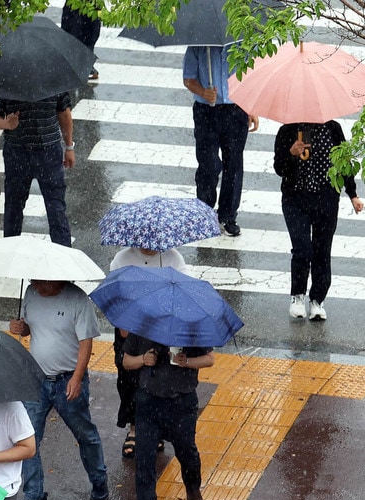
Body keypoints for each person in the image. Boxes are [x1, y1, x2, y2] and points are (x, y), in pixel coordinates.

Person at [8, 279, 109, 500]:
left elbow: (86, 343)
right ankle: (34, 495)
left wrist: (77, 377)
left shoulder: (78, 300)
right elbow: (32, 328)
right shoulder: (31, 293)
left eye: (40, 281)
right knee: (28, 439)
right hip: (36, 379)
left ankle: (98, 480)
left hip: (67, 380)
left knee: (85, 434)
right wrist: (21, 328)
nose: (35, 284)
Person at [121, 335, 214, 500]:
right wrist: (143, 360)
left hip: (181, 402)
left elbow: (210, 359)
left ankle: (193, 490)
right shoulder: (143, 328)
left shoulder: (190, 327)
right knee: (144, 461)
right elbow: (126, 361)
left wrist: (187, 362)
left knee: (186, 451)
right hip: (148, 402)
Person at [274, 120, 364, 321]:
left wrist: (353, 194)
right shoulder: (287, 130)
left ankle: (317, 300)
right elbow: (279, 168)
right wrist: (291, 153)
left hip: (325, 199)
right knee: (302, 248)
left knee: (322, 250)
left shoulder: (332, 128)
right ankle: (298, 296)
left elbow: (343, 163)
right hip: (295, 199)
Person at [107, 250, 189, 459]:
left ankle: (155, 427)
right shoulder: (121, 259)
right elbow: (113, 293)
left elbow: (182, 290)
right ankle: (134, 428)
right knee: (128, 380)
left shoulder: (173, 259)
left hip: (160, 326)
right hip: (128, 326)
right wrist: (122, 322)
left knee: (156, 376)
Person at [183, 45, 258, 237]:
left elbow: (252, 78)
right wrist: (203, 91)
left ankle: (228, 215)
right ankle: (205, 213)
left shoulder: (243, 44)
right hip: (206, 110)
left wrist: (251, 107)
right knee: (208, 164)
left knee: (233, 164)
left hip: (235, 110)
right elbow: (188, 78)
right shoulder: (198, 47)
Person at [0, 93, 75, 246]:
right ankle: (10, 249)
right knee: (14, 207)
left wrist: (69, 146)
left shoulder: (52, 77)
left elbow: (64, 112)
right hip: (18, 153)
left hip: (48, 152)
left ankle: (63, 253)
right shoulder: (6, 81)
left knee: (55, 208)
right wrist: (7, 124)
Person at [60, 1, 102, 80]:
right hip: (76, 6)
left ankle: (86, 64)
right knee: (75, 32)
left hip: (92, 6)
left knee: (91, 33)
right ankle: (74, 65)